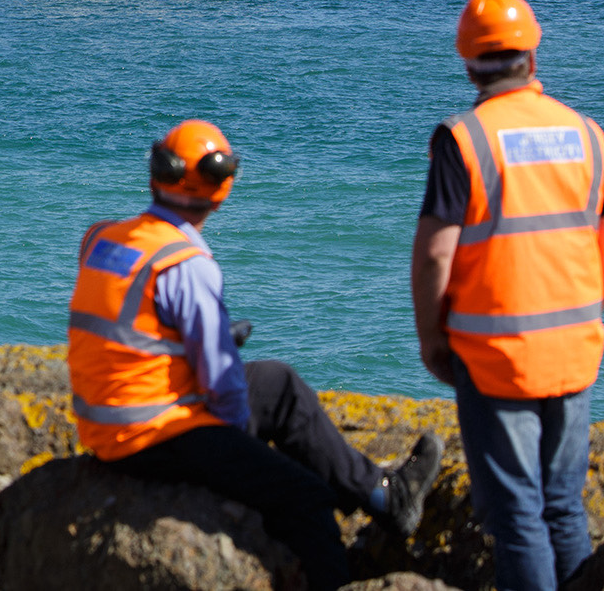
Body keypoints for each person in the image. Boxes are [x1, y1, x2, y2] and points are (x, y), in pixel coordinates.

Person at [70, 120, 444, 591]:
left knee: (278, 383)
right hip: (155, 437)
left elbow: (131, 327)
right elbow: (223, 389)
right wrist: (240, 447)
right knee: (305, 498)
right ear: (223, 188)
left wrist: (208, 337)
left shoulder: (101, 238)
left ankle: (384, 494)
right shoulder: (186, 264)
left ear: (155, 176)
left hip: (105, 425)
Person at [411, 0, 604, 591]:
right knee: (563, 505)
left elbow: (436, 251)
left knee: (517, 516)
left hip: (495, 358)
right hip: (575, 347)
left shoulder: (465, 139)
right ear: (533, 56)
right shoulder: (586, 133)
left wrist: (433, 338)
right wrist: (590, 307)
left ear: (467, 62)